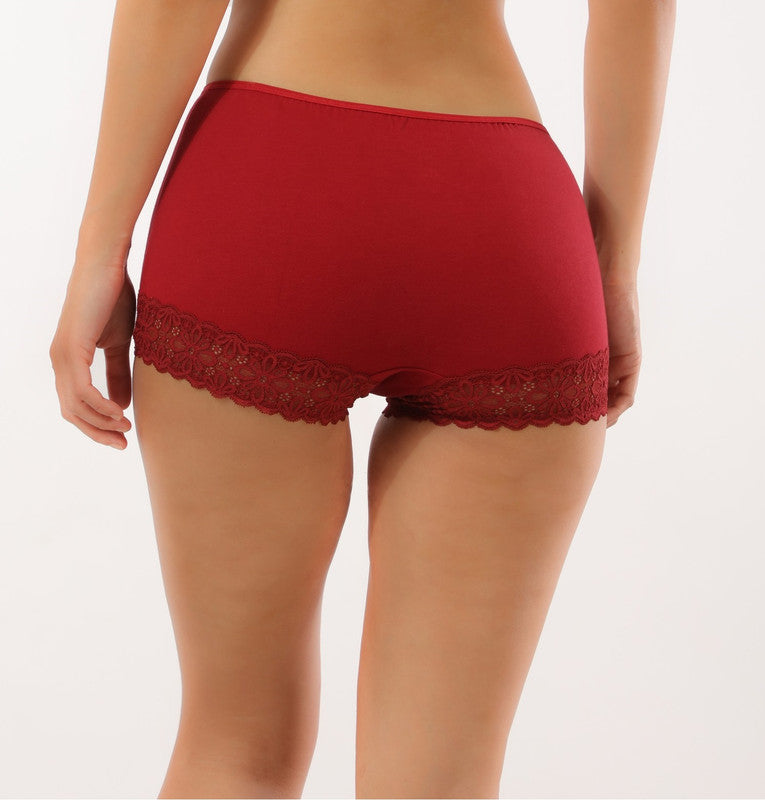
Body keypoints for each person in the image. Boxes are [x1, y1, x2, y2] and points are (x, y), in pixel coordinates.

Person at [49, 1, 676, 797]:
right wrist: (612, 269)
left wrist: (100, 251)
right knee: (441, 785)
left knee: (232, 745)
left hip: (267, 188)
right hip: (502, 217)